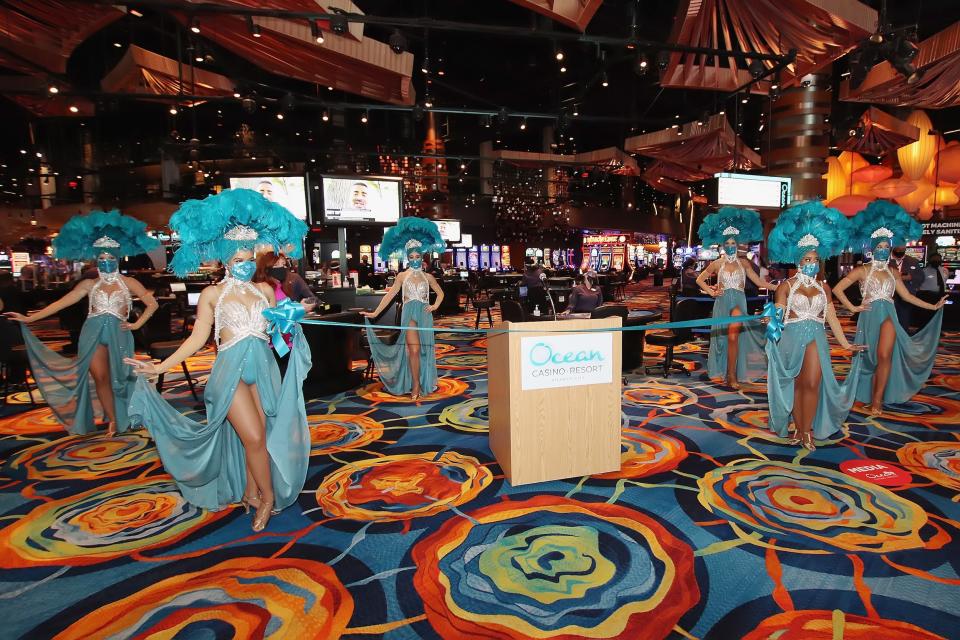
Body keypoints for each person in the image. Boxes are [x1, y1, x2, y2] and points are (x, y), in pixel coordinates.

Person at [124, 189, 311, 532]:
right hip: (231, 371)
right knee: (253, 437)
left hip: (265, 366)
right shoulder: (212, 295)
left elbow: (274, 329)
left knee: (265, 435)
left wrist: (291, 315)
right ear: (225, 260)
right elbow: (197, 339)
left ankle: (250, 490)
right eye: (237, 260)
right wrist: (160, 367)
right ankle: (267, 498)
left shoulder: (265, 290)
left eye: (248, 259)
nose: (244, 265)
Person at [6, 210, 159, 436]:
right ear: (96, 260)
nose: (106, 263)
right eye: (101, 259)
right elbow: (61, 303)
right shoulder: (90, 285)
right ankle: (113, 420)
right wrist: (30, 318)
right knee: (100, 377)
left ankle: (132, 412)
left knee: (122, 376)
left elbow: (152, 304)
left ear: (117, 258)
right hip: (92, 332)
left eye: (110, 259)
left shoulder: (129, 282)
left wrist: (137, 326)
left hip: (119, 332)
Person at [765, 201, 866, 451]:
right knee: (799, 384)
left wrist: (845, 343)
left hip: (817, 338)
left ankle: (807, 431)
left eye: (815, 259)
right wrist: (770, 320)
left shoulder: (825, 287)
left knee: (812, 383)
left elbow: (831, 317)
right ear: (798, 261)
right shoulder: (786, 286)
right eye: (807, 259)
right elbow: (777, 312)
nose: (811, 263)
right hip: (792, 337)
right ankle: (799, 429)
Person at [833, 201, 945, 416]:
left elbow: (907, 297)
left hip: (889, 315)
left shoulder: (893, 272)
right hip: (869, 315)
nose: (883, 251)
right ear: (872, 248)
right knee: (871, 359)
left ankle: (877, 402)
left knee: (885, 356)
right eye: (880, 247)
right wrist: (854, 308)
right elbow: (837, 290)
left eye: (886, 247)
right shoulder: (862, 270)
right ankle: (868, 394)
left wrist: (933, 305)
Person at [361, 218, 444, 401]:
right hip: (409, 315)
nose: (415, 260)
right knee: (413, 351)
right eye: (412, 257)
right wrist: (375, 313)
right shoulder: (401, 276)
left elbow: (440, 294)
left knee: (424, 351)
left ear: (422, 258)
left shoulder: (428, 277)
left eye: (418, 257)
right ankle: (415, 384)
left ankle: (423, 379)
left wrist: (435, 306)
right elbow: (389, 296)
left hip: (424, 314)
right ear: (408, 257)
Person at [696, 207, 775, 388]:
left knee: (733, 336)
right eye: (727, 244)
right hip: (722, 303)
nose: (731, 246)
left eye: (733, 243)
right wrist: (711, 291)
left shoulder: (745, 263)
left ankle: (732, 375)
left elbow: (761, 283)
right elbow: (700, 279)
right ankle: (726, 372)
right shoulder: (717, 263)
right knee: (723, 341)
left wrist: (780, 286)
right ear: (723, 245)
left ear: (737, 244)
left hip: (739, 303)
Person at [890, 245, 923, 332]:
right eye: (898, 248)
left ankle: (902, 338)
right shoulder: (886, 261)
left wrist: (910, 277)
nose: (900, 249)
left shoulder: (913, 261)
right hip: (889, 294)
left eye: (902, 248)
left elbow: (921, 277)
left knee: (904, 318)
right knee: (889, 318)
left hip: (906, 294)